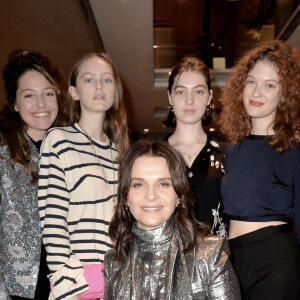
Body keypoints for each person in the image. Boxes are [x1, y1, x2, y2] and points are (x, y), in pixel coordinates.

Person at [38, 52, 130, 300]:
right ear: (74, 92)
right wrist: (69, 286)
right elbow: (52, 220)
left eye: (107, 80)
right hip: (80, 284)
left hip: (119, 278)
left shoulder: (121, 152)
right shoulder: (58, 140)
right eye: (89, 80)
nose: (99, 86)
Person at [104, 140, 241, 299]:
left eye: (163, 184)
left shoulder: (210, 255)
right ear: (125, 196)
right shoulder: (114, 262)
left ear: (178, 194)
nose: (150, 195)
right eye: (138, 184)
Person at [220, 40, 300, 299]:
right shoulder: (233, 148)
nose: (256, 93)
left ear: (285, 94)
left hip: (274, 262)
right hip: (233, 260)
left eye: (269, 85)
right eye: (252, 81)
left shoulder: (293, 148)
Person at [0, 50, 68, 299]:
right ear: (15, 103)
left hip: (66, 284)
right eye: (29, 95)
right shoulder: (3, 150)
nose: (41, 104)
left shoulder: (68, 148)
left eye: (48, 93)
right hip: (17, 288)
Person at [166, 56, 228, 237]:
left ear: (209, 97)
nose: (190, 100)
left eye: (198, 92)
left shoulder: (228, 154)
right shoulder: (155, 156)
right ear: (169, 96)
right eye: (181, 92)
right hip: (167, 262)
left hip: (217, 262)